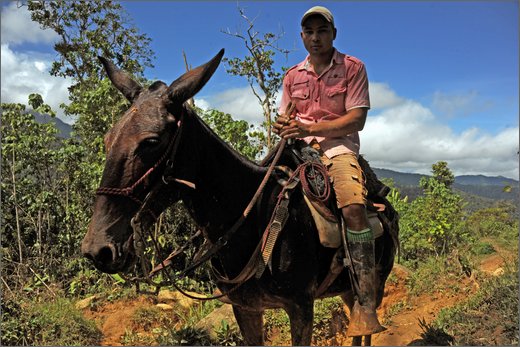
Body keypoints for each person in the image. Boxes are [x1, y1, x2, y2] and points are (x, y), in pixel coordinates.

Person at [273, 5, 384, 337]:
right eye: (309, 32)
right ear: (302, 37)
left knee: (352, 207)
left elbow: (357, 119)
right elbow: (285, 116)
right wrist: (283, 124)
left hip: (337, 149)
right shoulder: (293, 75)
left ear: (333, 34)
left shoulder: (352, 68)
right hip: (297, 149)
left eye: (322, 31)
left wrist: (311, 126)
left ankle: (364, 302)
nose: (315, 38)